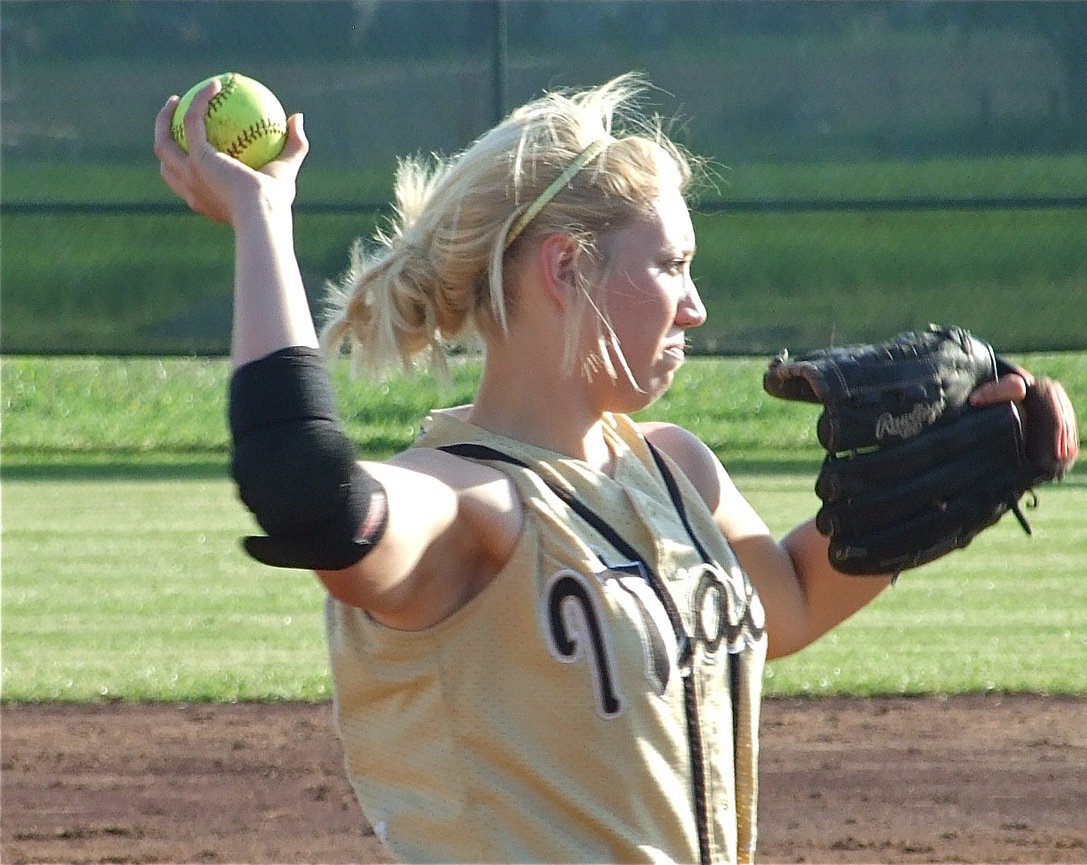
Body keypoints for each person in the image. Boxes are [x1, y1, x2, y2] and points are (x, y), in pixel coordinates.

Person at [155, 73, 1030, 864]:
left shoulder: (673, 465)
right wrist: (263, 219)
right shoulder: (472, 502)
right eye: (671, 265)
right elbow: (308, 494)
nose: (695, 305)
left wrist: (952, 479)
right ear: (567, 268)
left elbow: (790, 601)